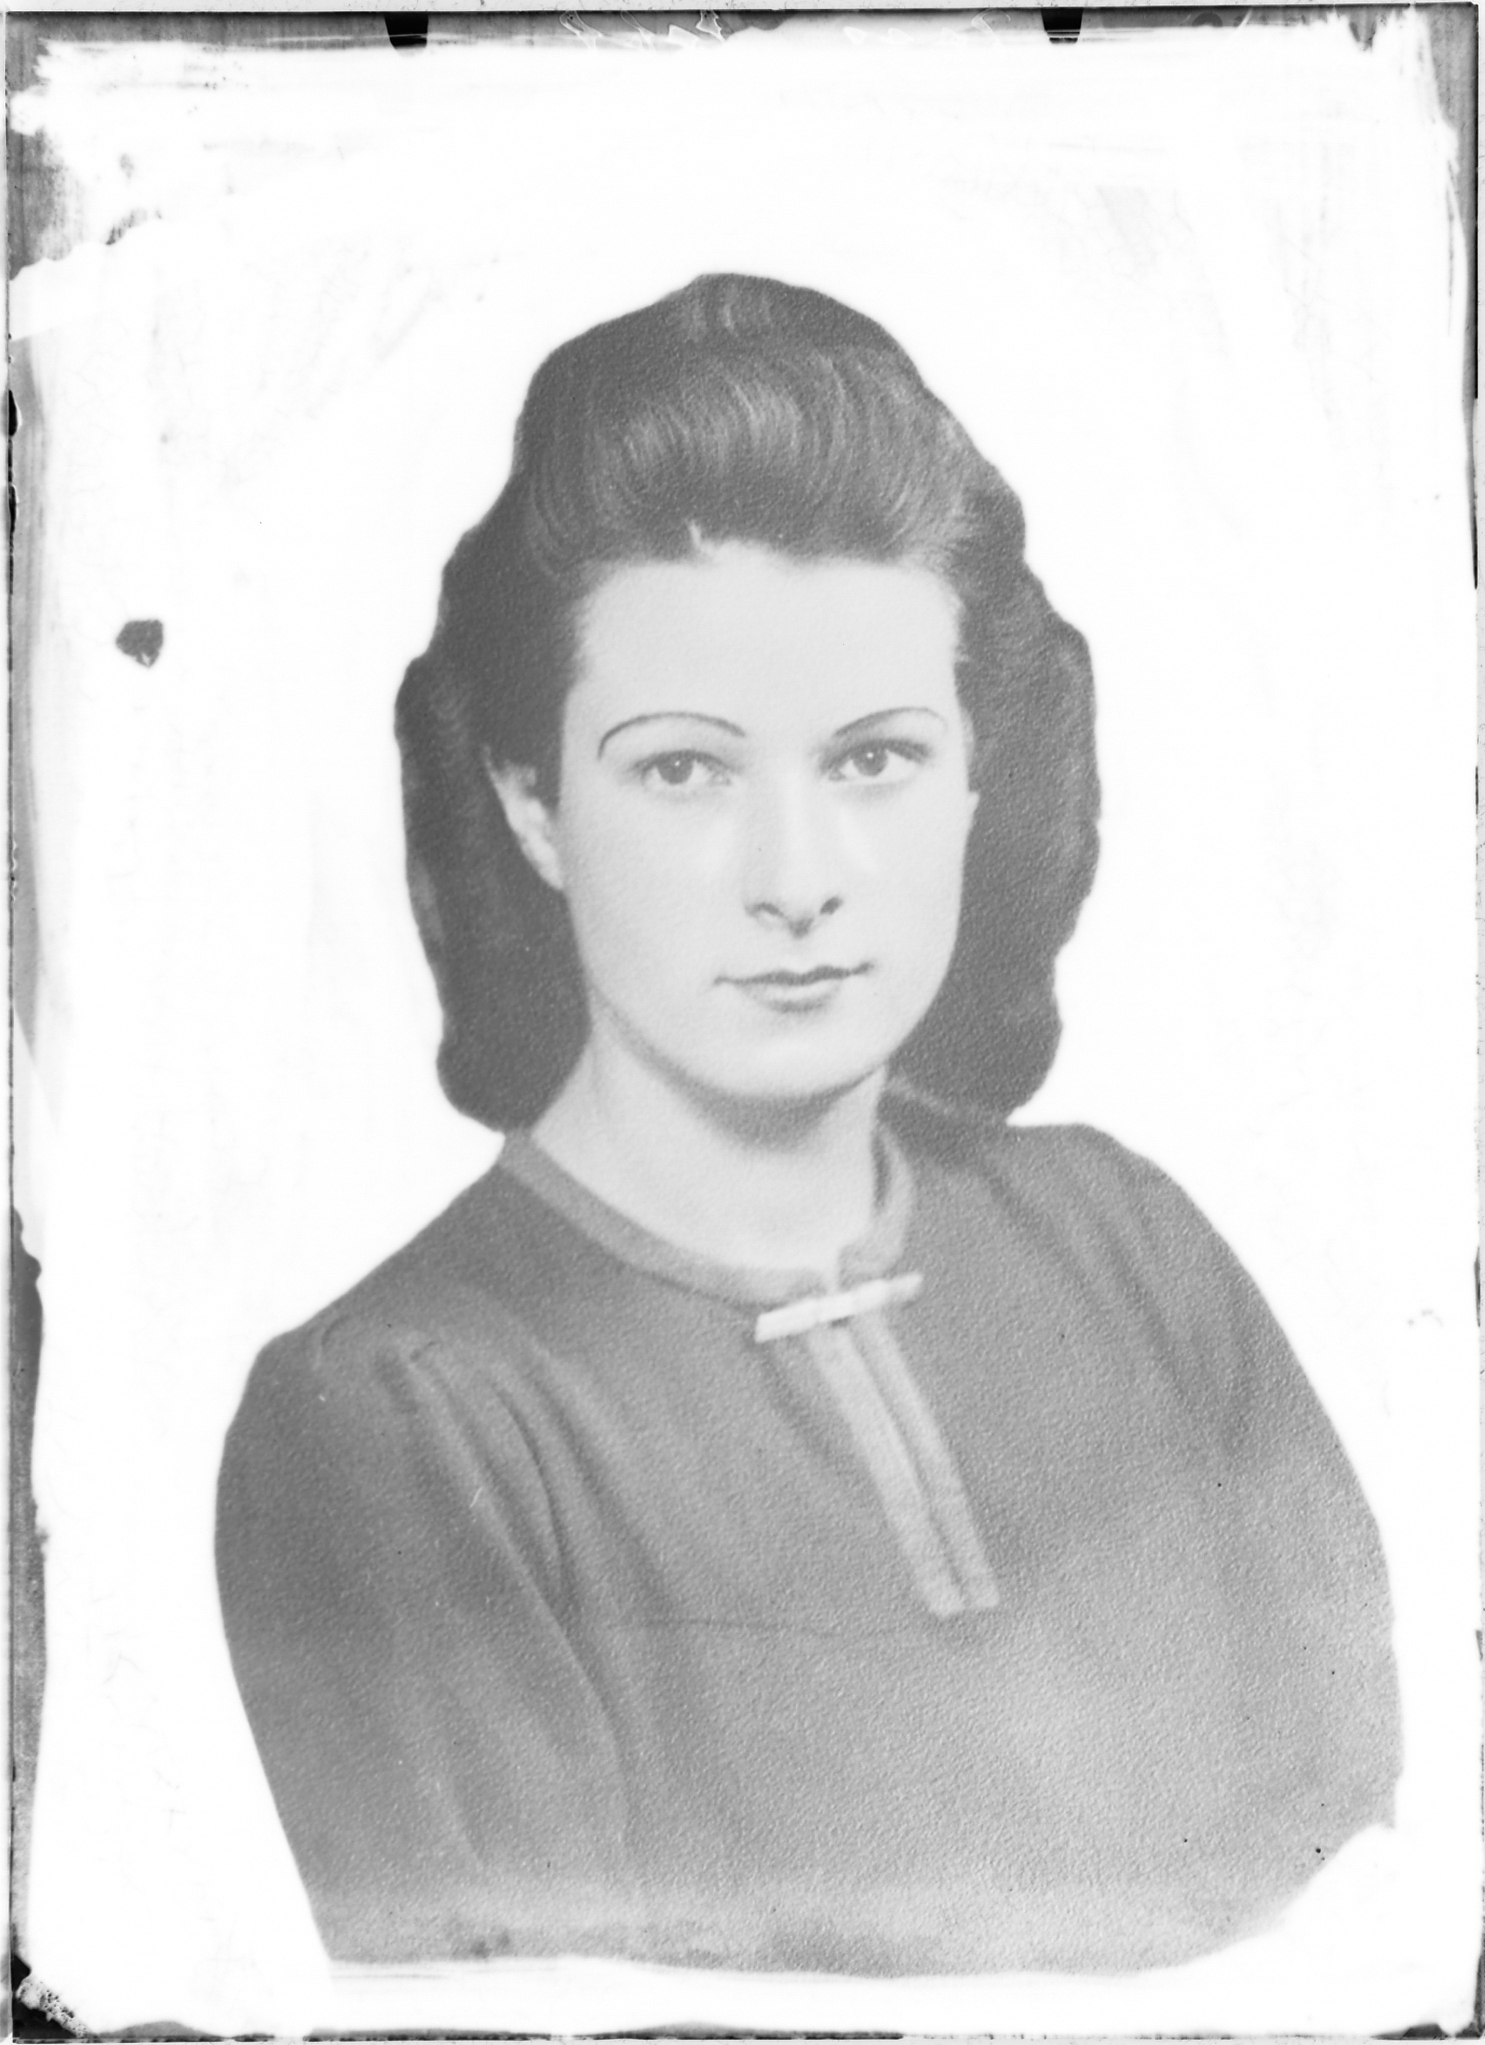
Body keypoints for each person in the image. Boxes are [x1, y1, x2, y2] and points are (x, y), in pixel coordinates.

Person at [216, 274, 1399, 1976]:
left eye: (872, 758)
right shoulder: (399, 1415)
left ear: (975, 772)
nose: (795, 879)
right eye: (683, 769)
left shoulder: (1132, 1245)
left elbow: (1380, 1909)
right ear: (531, 803)